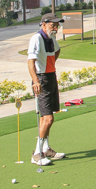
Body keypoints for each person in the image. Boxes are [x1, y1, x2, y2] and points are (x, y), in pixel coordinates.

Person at [28, 12, 66, 165]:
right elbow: (30, 62)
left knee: (47, 117)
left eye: (57, 26)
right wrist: (35, 81)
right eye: (53, 25)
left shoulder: (51, 38)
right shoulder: (36, 38)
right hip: (41, 80)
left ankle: (46, 149)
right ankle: (37, 154)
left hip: (51, 77)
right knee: (48, 119)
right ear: (44, 24)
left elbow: (57, 50)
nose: (56, 28)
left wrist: (50, 64)